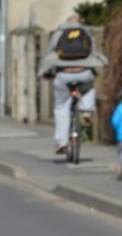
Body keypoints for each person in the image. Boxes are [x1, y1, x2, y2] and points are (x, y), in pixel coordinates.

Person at [40, 15, 105, 153]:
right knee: (88, 88)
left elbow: (50, 53)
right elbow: (92, 51)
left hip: (64, 74)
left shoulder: (59, 33)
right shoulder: (86, 32)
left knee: (61, 107)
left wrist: (47, 72)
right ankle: (87, 111)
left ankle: (61, 143)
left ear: (66, 22)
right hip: (83, 72)